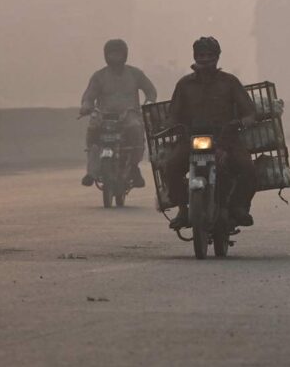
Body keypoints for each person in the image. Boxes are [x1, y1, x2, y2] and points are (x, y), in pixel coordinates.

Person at [162, 37, 259, 230]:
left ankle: (239, 206)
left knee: (248, 169)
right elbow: (172, 114)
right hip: (191, 139)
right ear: (195, 57)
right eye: (201, 55)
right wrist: (174, 126)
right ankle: (183, 209)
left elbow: (250, 113)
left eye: (209, 55)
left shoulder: (230, 82)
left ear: (217, 57)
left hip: (226, 139)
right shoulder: (184, 85)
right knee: (170, 166)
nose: (205, 59)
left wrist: (239, 123)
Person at [80, 39, 157, 188]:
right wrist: (86, 106)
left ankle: (134, 168)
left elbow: (150, 90)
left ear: (125, 55)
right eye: (112, 54)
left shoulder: (135, 74)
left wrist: (150, 101)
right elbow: (89, 96)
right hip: (104, 115)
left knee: (136, 128)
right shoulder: (99, 76)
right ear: (106, 56)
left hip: (129, 114)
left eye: (118, 54)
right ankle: (91, 172)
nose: (115, 58)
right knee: (92, 130)